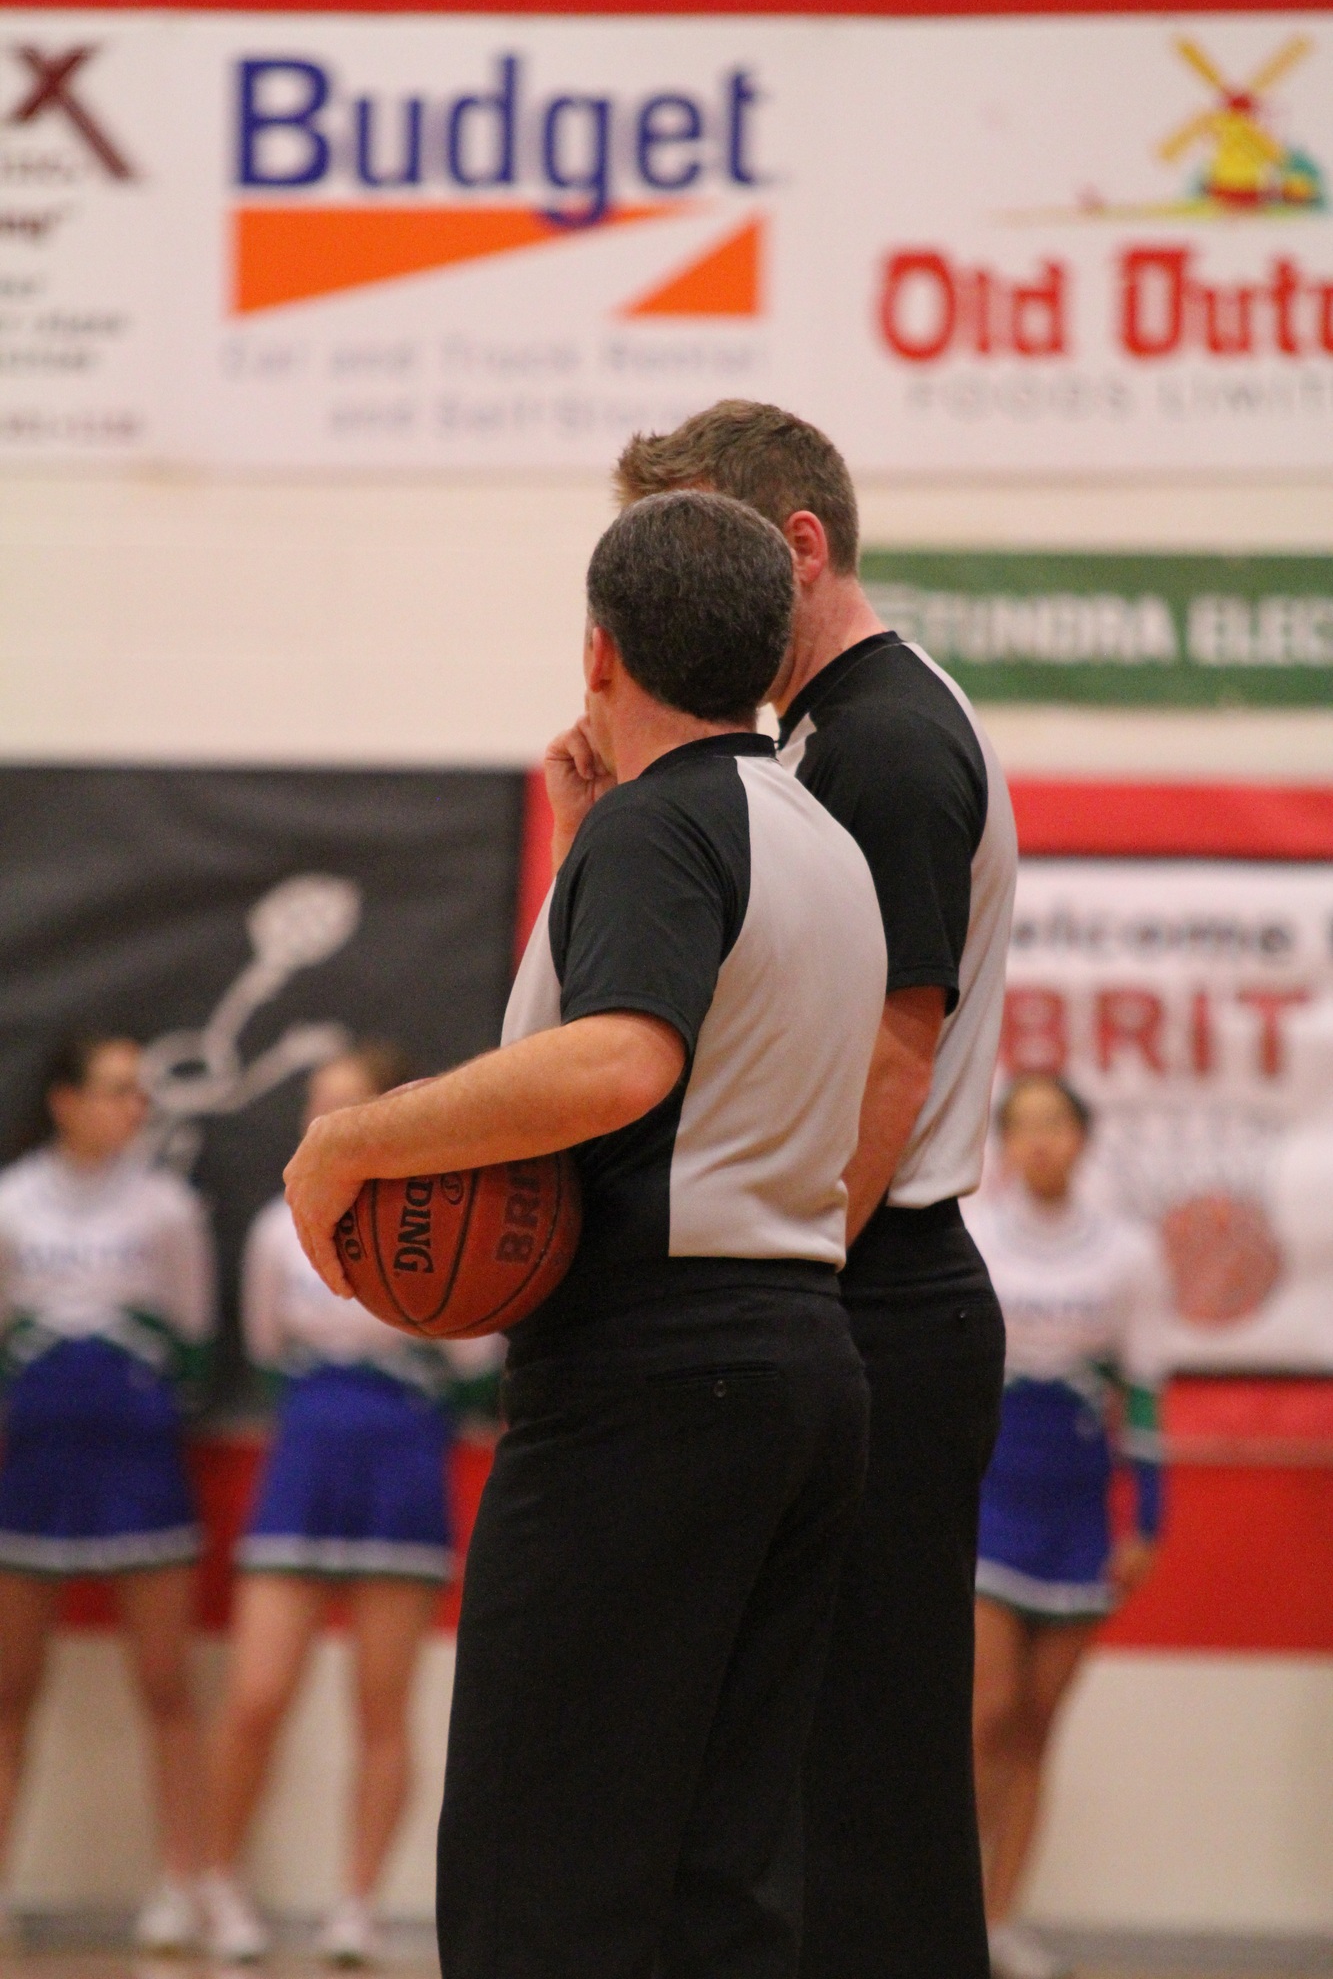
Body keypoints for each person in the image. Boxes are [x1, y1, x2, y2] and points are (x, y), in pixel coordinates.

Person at [284, 490, 889, 1979]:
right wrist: (579, 849)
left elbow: (622, 1061)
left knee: (538, 1868)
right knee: (716, 1879)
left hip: (649, 1378)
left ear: (598, 651)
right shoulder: (815, 834)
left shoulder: (661, 831)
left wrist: (353, 1137)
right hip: (803, 1359)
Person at [614, 401, 1017, 1979]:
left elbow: (890, 1058)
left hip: (877, 1292)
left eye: (703, 544)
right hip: (858, 1291)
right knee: (801, 1776)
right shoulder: (823, 730)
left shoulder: (884, 739)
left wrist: (787, 1291)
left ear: (796, 546)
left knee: (872, 1789)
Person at [203, 1043, 498, 1967]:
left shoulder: (443, 1216)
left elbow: (476, 1352)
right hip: (304, 1454)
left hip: (402, 1458)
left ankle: (356, 1905)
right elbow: (265, 1346)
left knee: (381, 1704)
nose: (321, 1120)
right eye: (313, 1102)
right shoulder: (273, 1226)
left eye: (344, 1102)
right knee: (256, 1695)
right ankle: (215, 1885)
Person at [0, 1033, 214, 1953]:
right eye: (117, 1089)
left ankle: (182, 1885)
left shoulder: (169, 1207)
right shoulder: (10, 1204)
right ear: (64, 1100)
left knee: (165, 1682)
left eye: (140, 1092)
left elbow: (195, 1339)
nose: (136, 1107)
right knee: (10, 1686)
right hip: (34, 1465)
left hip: (140, 1464)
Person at [965, 1074, 1165, 1979]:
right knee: (985, 1712)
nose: (1040, 1140)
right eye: (1023, 1126)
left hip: (1078, 1514)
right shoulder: (974, 1237)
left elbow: (1145, 1394)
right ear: (1003, 1144)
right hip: (988, 1499)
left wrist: (1146, 1522)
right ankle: (945, 1909)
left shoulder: (1127, 1253)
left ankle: (1000, 1919)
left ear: (1082, 1138)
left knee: (1037, 1726)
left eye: (1055, 1124)